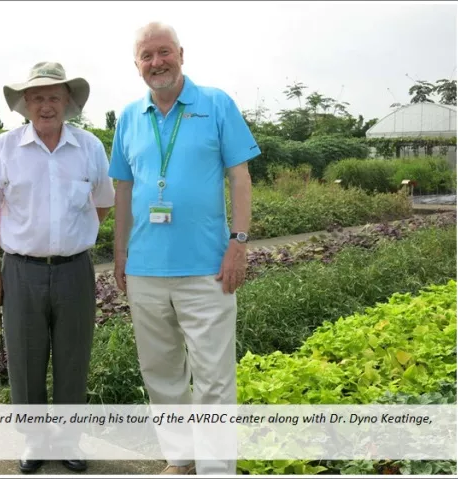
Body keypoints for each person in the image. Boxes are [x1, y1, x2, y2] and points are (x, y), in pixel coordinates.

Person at [108, 22, 261, 475]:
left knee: (214, 378)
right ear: (136, 65)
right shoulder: (129, 117)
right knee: (161, 373)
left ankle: (216, 470)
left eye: (163, 52)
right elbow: (123, 189)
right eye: (146, 56)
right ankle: (180, 459)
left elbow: (240, 178)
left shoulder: (216, 104)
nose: (157, 63)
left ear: (180, 53)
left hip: (208, 269)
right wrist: (119, 255)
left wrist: (239, 243)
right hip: (145, 271)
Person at [0, 61, 115, 474]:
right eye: (37, 97)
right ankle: (34, 440)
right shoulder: (4, 147)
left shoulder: (90, 148)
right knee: (26, 358)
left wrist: (71, 234)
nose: (45, 105)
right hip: (21, 271)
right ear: (25, 104)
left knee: (73, 357)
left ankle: (68, 440)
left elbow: (102, 202)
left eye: (53, 97)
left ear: (68, 102)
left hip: (74, 271)